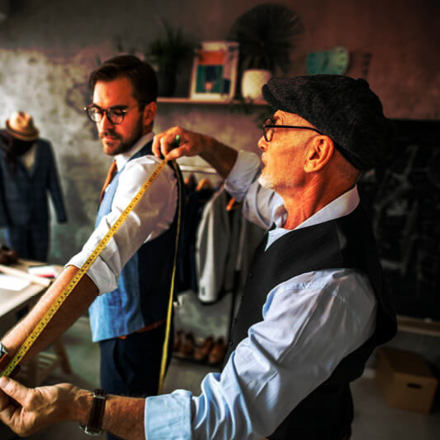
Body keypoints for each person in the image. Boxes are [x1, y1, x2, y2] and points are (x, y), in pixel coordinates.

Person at [0, 75, 396, 440]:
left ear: (317, 153)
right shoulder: (304, 208)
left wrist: (78, 405)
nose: (261, 140)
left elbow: (223, 415)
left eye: (274, 127)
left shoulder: (328, 289)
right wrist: (205, 145)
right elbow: (249, 185)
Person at [0, 55, 181, 439]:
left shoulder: (146, 172)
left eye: (116, 112)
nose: (103, 125)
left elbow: (97, 259)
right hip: (119, 325)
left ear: (149, 112)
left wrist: (7, 352)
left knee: (122, 428)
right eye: (97, 111)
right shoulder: (127, 162)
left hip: (131, 334)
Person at [0, 111, 67, 261]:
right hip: (14, 220)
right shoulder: (3, 149)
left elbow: (53, 180)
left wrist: (60, 212)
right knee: (18, 261)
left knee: (40, 260)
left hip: (40, 217)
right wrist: (2, 220)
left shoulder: (44, 147)